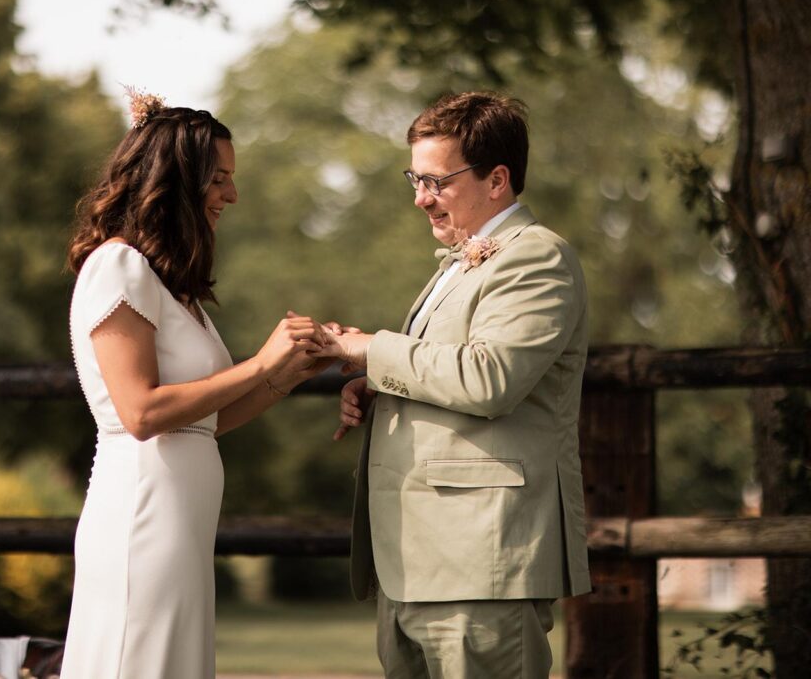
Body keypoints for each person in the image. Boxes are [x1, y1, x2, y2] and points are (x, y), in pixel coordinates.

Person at [322, 91, 592, 678]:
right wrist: (380, 386)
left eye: (436, 182)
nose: (421, 198)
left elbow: (489, 379)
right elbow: (451, 370)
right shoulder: (458, 261)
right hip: (414, 562)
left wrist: (369, 348)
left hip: (481, 561)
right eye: (414, 180)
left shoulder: (537, 257)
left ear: (497, 180)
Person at [61, 92, 328, 679]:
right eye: (219, 180)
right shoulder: (119, 266)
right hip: (143, 512)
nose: (232, 195)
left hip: (180, 522)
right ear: (176, 180)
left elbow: (203, 422)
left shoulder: (173, 287)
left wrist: (287, 373)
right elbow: (141, 413)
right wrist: (259, 363)